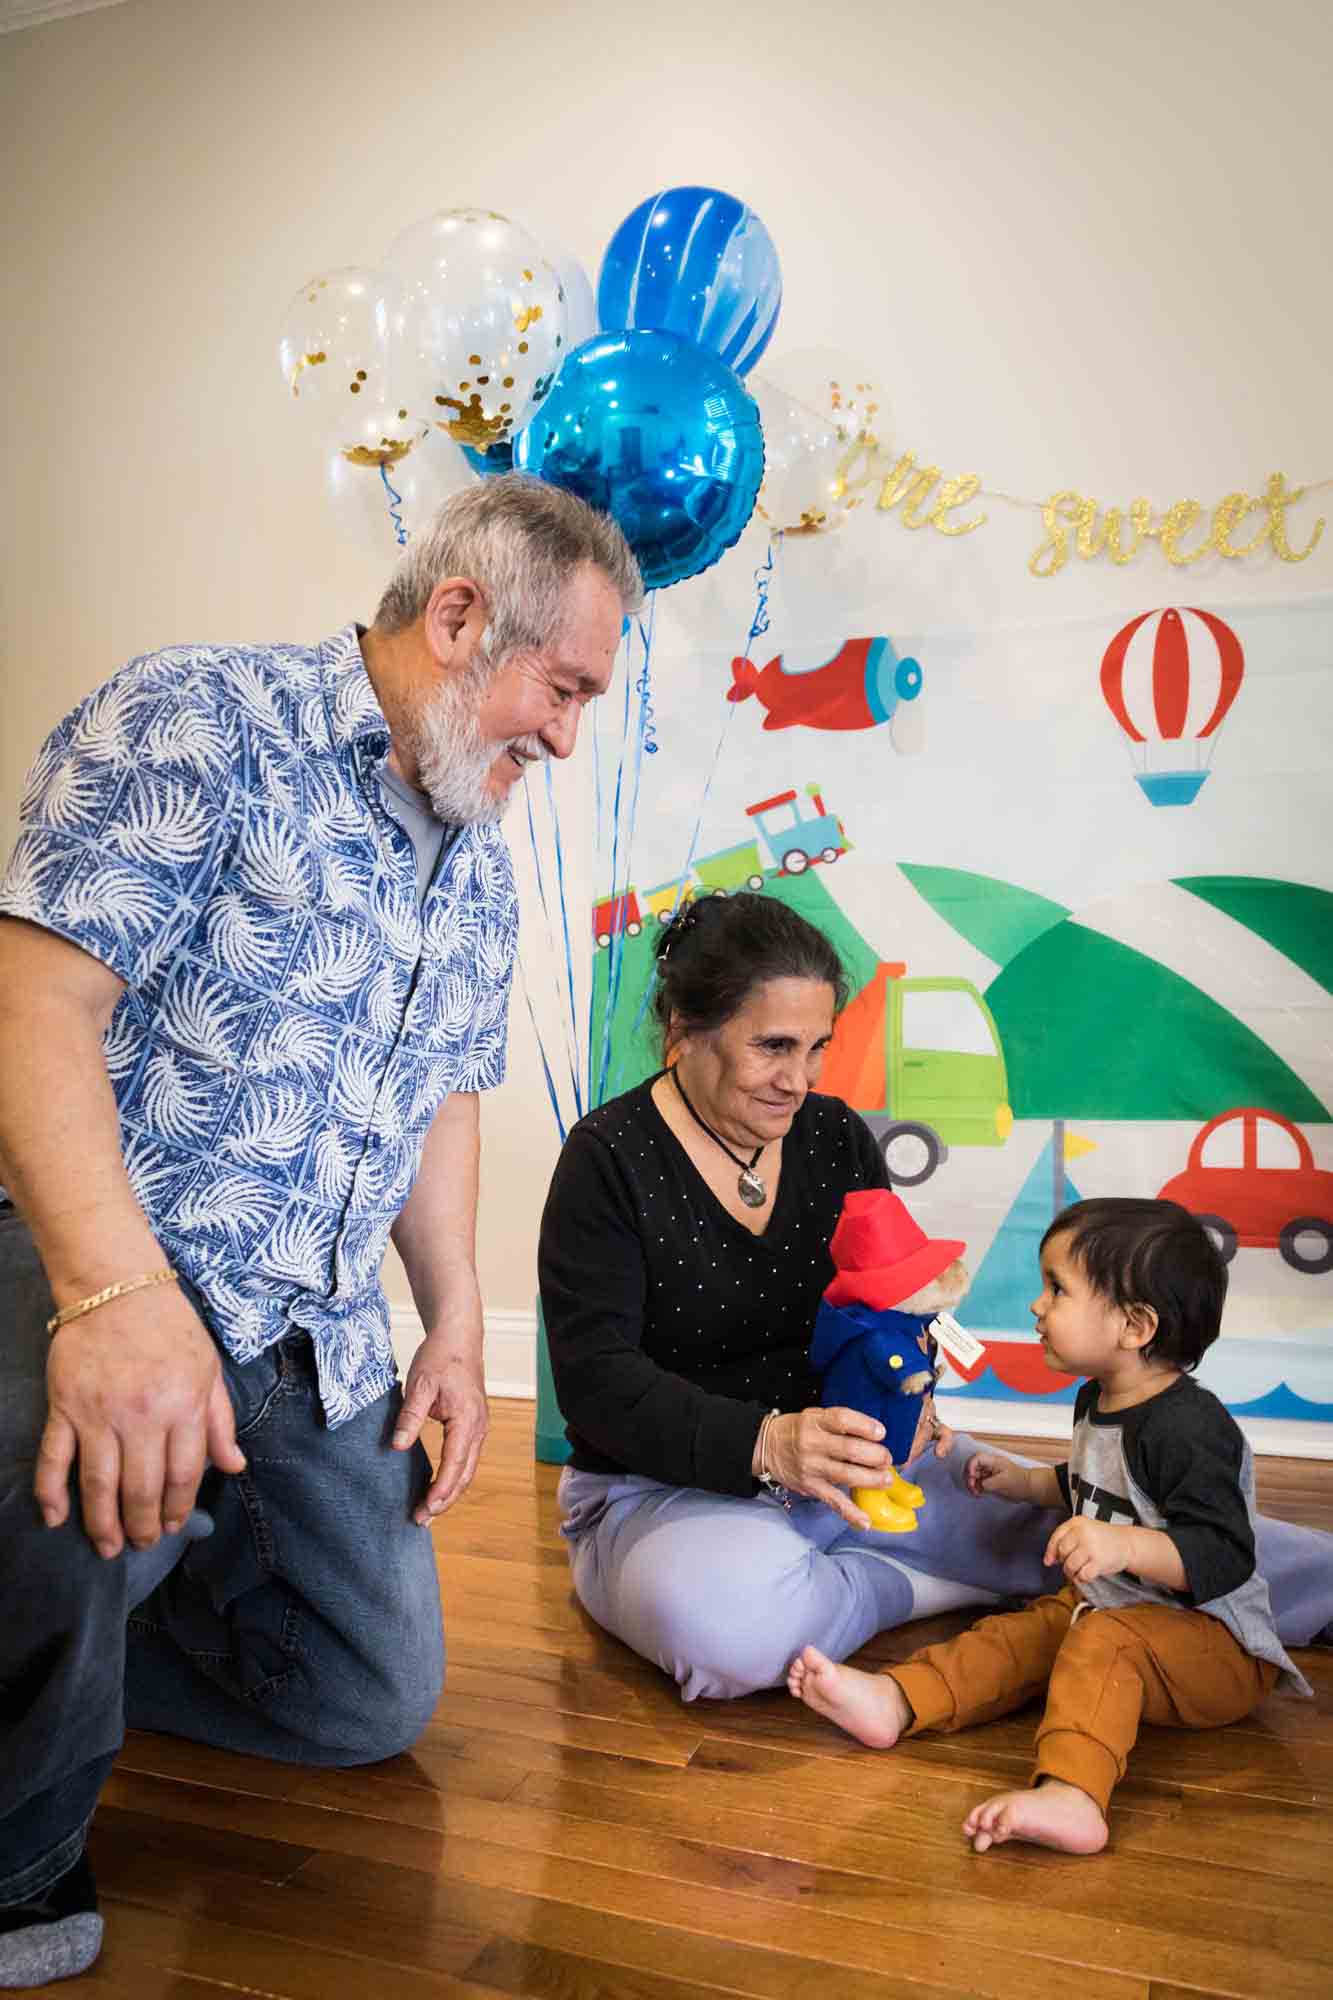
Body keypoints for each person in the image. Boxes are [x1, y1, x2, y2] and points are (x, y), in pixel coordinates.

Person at [0, 472, 642, 1987]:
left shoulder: (477, 842)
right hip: (108, 1266)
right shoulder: (202, 720)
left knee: (362, 1704)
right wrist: (110, 1300)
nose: (565, 735)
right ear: (463, 619)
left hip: (312, 1324)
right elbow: (35, 998)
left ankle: (82, 1648)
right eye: (563, 690)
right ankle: (22, 1856)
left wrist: (458, 1316)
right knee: (58, 1497)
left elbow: (446, 1098)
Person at [539, 895, 1333, 1708]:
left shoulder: (832, 1135)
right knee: (726, 1632)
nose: (798, 1079)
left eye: (816, 1047)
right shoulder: (608, 1160)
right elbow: (595, 1386)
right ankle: (916, 1585)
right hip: (664, 1495)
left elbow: (899, 1302)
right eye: (771, 1046)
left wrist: (913, 1397)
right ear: (683, 1026)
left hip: (858, 1471)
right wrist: (769, 1444)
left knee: (1132, 1530)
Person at [789, 1198, 1311, 1855]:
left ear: (1134, 1325)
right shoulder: (1101, 1395)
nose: (1037, 1306)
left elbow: (1223, 1553)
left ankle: (1074, 1793)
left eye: (1056, 1289)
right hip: (1121, 1607)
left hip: (1214, 1645)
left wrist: (1119, 1545)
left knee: (1100, 1638)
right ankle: (900, 1700)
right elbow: (1105, 1483)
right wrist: (1031, 1484)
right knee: (1029, 1630)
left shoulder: (1190, 1428)